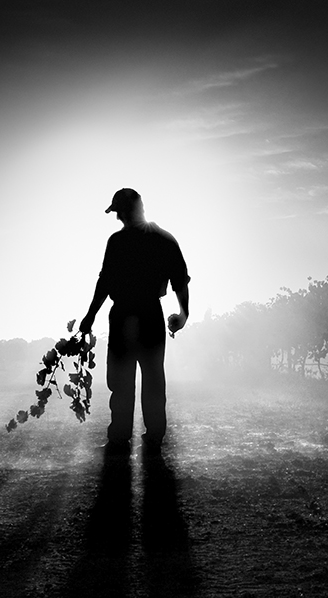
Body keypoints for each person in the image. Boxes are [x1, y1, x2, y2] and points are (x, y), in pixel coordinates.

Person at [79, 188, 190, 455]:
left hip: (125, 315)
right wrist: (183, 313)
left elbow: (105, 282)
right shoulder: (164, 239)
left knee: (122, 380)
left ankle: (122, 437)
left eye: (118, 212)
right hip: (150, 315)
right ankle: (150, 437)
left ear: (125, 212)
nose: (117, 218)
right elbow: (180, 281)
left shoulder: (117, 242)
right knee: (150, 379)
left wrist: (91, 315)